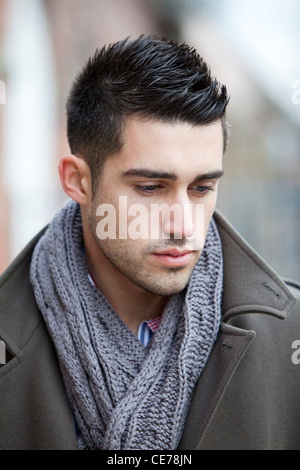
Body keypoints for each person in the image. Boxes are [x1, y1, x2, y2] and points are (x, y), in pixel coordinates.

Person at [0, 35, 299, 451]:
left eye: (202, 188)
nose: (182, 225)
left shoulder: (290, 340)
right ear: (78, 181)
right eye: (150, 187)